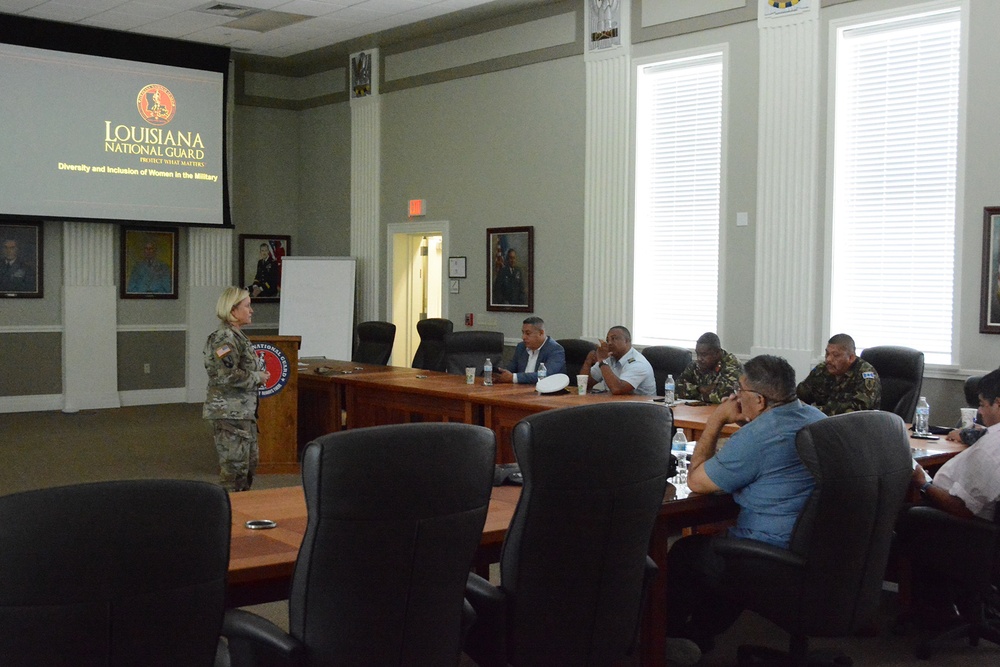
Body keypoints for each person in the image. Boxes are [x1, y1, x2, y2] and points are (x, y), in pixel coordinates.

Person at [664, 355, 826, 658]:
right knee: (725, 548)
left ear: (760, 400)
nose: (735, 397)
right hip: (819, 551)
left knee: (689, 554)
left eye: (740, 392)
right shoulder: (818, 418)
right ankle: (700, 634)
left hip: (774, 555)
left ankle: (669, 642)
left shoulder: (759, 436)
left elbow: (697, 482)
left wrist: (716, 419)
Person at [899, 368, 1000, 623]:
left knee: (905, 513)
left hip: (971, 532)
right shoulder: (991, 439)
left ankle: (932, 610)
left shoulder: (991, 449)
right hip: (986, 531)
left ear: (998, 403)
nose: (979, 413)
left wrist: (923, 483)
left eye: (982, 405)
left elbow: (962, 509)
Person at [203, 287, 269, 492]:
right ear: (233, 310)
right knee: (234, 473)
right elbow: (228, 375)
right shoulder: (224, 338)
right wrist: (257, 377)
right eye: (247, 306)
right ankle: (228, 516)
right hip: (229, 412)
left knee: (248, 467)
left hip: (243, 412)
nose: (251, 310)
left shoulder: (237, 336)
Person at [795, 333, 881, 415]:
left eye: (835, 355)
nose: (828, 359)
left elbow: (856, 412)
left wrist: (812, 410)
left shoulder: (865, 375)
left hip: (857, 426)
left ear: (851, 358)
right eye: (827, 354)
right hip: (822, 423)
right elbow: (800, 394)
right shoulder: (821, 369)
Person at [580, 325, 656, 395]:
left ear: (627, 341)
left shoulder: (638, 363)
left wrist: (602, 361)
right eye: (607, 340)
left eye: (614, 339)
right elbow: (584, 386)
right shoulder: (609, 359)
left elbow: (618, 389)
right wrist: (588, 362)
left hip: (642, 408)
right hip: (616, 404)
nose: (609, 343)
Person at [676, 332, 744, 403]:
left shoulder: (732, 366)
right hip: (700, 411)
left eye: (704, 355)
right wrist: (700, 389)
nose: (699, 358)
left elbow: (722, 397)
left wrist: (693, 393)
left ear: (717, 353)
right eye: (697, 354)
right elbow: (677, 389)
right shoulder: (697, 365)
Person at [495, 316, 566, 384]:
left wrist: (513, 378)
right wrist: (499, 374)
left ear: (541, 333)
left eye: (528, 333)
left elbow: (545, 375)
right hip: (520, 390)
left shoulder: (555, 350)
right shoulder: (521, 347)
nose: (523, 337)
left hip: (545, 393)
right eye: (523, 333)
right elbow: (511, 368)